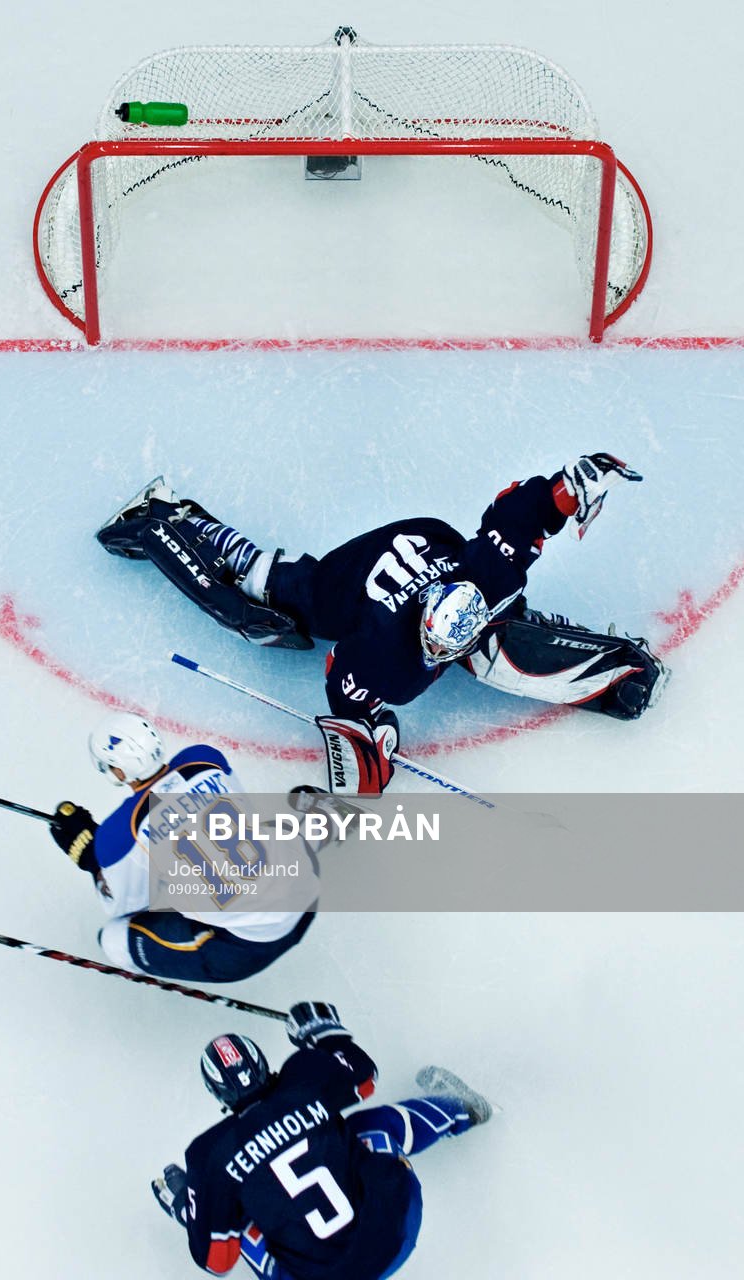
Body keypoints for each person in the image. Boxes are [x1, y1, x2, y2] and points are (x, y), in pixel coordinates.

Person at [98, 456, 668, 794]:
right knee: (289, 600)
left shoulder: (487, 577)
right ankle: (159, 517)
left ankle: (584, 660)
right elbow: (338, 670)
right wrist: (363, 739)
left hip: (432, 543)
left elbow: (518, 514)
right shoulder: (386, 658)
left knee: (497, 643)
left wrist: (576, 483)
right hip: (368, 572)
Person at [151, 1001, 491, 1278]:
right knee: (370, 1128)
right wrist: (326, 1036)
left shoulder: (208, 1155)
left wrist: (190, 1209)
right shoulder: (304, 1078)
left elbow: (217, 1261)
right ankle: (462, 1107)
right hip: (396, 1231)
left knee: (237, 1219)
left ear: (216, 1093)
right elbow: (365, 1078)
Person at [48, 711, 315, 982]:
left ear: (119, 771)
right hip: (305, 896)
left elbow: (125, 905)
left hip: (249, 947)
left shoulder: (120, 833)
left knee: (112, 940)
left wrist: (94, 862)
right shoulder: (204, 759)